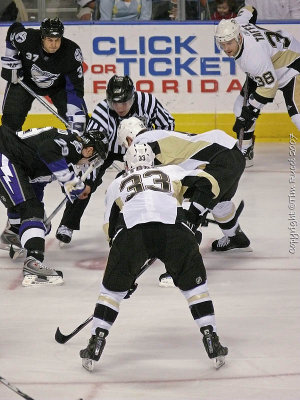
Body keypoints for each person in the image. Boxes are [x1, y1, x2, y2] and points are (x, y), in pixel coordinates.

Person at [79, 143, 228, 372]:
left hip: (132, 234)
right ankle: (211, 338)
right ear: (153, 161)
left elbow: (110, 227)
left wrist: (123, 274)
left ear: (127, 164)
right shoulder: (171, 171)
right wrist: (192, 215)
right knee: (194, 289)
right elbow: (211, 184)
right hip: (174, 229)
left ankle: (95, 343)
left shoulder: (117, 183)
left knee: (111, 293)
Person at [117, 117, 251, 287]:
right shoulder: (156, 135)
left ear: (129, 138)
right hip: (231, 153)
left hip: (217, 160)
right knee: (219, 202)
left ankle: (181, 267)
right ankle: (236, 238)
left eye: (125, 145)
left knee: (189, 212)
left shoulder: (142, 144)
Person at [56, 75, 175, 245]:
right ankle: (67, 224)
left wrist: (154, 146)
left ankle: (158, 218)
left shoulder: (148, 101)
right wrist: (90, 173)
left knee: (153, 179)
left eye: (124, 102)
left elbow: (168, 124)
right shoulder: (102, 111)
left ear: (132, 97)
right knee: (86, 182)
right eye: (114, 103)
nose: (119, 107)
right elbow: (92, 143)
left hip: (142, 146)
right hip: (108, 149)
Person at [0, 125, 108, 286]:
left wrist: (33, 220)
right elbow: (47, 149)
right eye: (94, 159)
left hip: (11, 156)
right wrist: (73, 184)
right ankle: (33, 263)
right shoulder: (73, 144)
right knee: (32, 210)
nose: (88, 164)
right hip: (6, 154)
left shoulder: (66, 150)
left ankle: (13, 233)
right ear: (88, 150)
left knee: (33, 211)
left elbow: (35, 185)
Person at [215, 7, 300, 166]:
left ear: (238, 37)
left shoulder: (253, 57)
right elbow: (249, 10)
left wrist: (248, 115)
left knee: (297, 117)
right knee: (240, 107)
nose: (226, 49)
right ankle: (245, 152)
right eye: (222, 44)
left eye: (229, 43)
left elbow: (269, 88)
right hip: (269, 63)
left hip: (291, 65)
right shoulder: (237, 23)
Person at [1, 17, 88, 134]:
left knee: (81, 124)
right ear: (42, 37)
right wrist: (11, 58)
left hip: (59, 87)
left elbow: (75, 88)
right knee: (10, 121)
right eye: (49, 40)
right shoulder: (29, 38)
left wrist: (76, 114)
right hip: (25, 81)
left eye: (57, 40)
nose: (54, 44)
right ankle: (9, 150)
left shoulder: (71, 52)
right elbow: (13, 30)